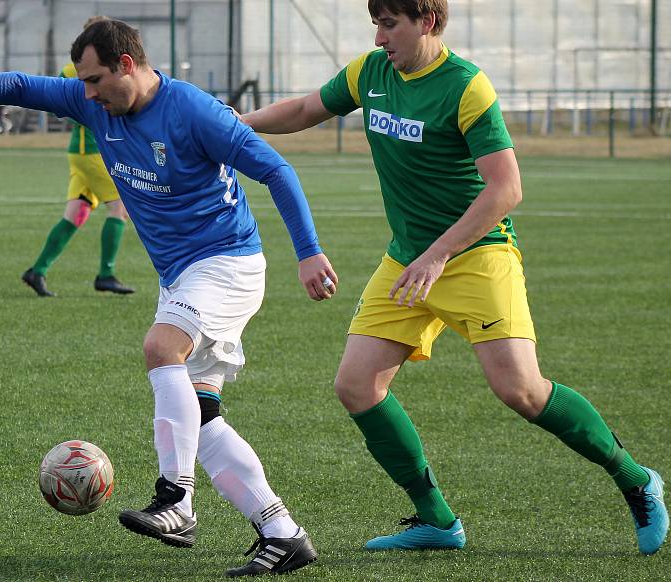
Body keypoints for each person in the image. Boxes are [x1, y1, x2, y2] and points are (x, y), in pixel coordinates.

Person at [0, 17, 336, 577]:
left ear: (128, 65)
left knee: (162, 348)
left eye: (94, 80)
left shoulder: (193, 111)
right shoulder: (94, 104)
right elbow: (15, 84)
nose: (85, 93)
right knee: (202, 419)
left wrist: (308, 252)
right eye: (82, 83)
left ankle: (176, 501)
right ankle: (281, 531)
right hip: (181, 278)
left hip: (227, 264)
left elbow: (276, 170)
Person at [242, 0, 667, 556]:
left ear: (429, 23)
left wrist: (439, 255)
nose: (379, 36)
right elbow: (302, 110)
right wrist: (228, 123)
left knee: (520, 390)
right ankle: (437, 520)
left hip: (475, 255)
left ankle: (637, 480)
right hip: (407, 259)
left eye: (390, 23)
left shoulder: (467, 87)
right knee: (356, 386)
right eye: (376, 22)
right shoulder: (369, 72)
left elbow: (505, 189)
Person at [21, 17, 135, 298]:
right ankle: (106, 274)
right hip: (92, 151)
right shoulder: (80, 70)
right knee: (120, 208)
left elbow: (54, 105)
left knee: (76, 213)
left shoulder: (69, 70)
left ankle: (37, 270)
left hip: (79, 152)